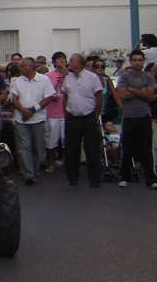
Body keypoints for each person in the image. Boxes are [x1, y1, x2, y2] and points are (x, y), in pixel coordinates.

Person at [115, 50, 157, 189]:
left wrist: (133, 90)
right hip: (129, 116)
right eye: (134, 60)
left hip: (144, 115)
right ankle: (124, 177)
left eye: (140, 60)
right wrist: (141, 91)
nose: (137, 63)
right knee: (127, 148)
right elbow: (122, 95)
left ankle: (151, 180)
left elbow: (150, 94)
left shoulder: (148, 77)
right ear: (131, 61)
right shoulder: (124, 76)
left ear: (143, 61)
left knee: (146, 148)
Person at [10, 58, 55, 185]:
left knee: (37, 147)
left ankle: (34, 171)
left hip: (38, 119)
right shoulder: (18, 81)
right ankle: (28, 173)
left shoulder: (44, 80)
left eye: (22, 66)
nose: (20, 68)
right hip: (21, 120)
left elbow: (48, 98)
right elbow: (14, 99)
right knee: (24, 147)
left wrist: (33, 110)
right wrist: (23, 110)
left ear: (30, 67)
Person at [62, 53, 103, 188]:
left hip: (88, 117)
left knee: (92, 149)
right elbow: (65, 97)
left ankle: (94, 178)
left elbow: (99, 97)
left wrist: (95, 115)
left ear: (78, 64)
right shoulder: (68, 78)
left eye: (71, 60)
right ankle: (72, 177)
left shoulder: (92, 77)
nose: (68, 63)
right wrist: (66, 114)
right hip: (72, 118)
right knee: (71, 149)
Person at [44, 52, 68, 172]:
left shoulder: (70, 75)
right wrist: (51, 96)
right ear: (54, 62)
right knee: (51, 141)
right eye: (59, 59)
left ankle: (67, 163)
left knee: (67, 141)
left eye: (63, 59)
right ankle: (51, 163)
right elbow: (43, 92)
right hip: (52, 113)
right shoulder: (47, 76)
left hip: (67, 113)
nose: (62, 61)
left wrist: (67, 74)